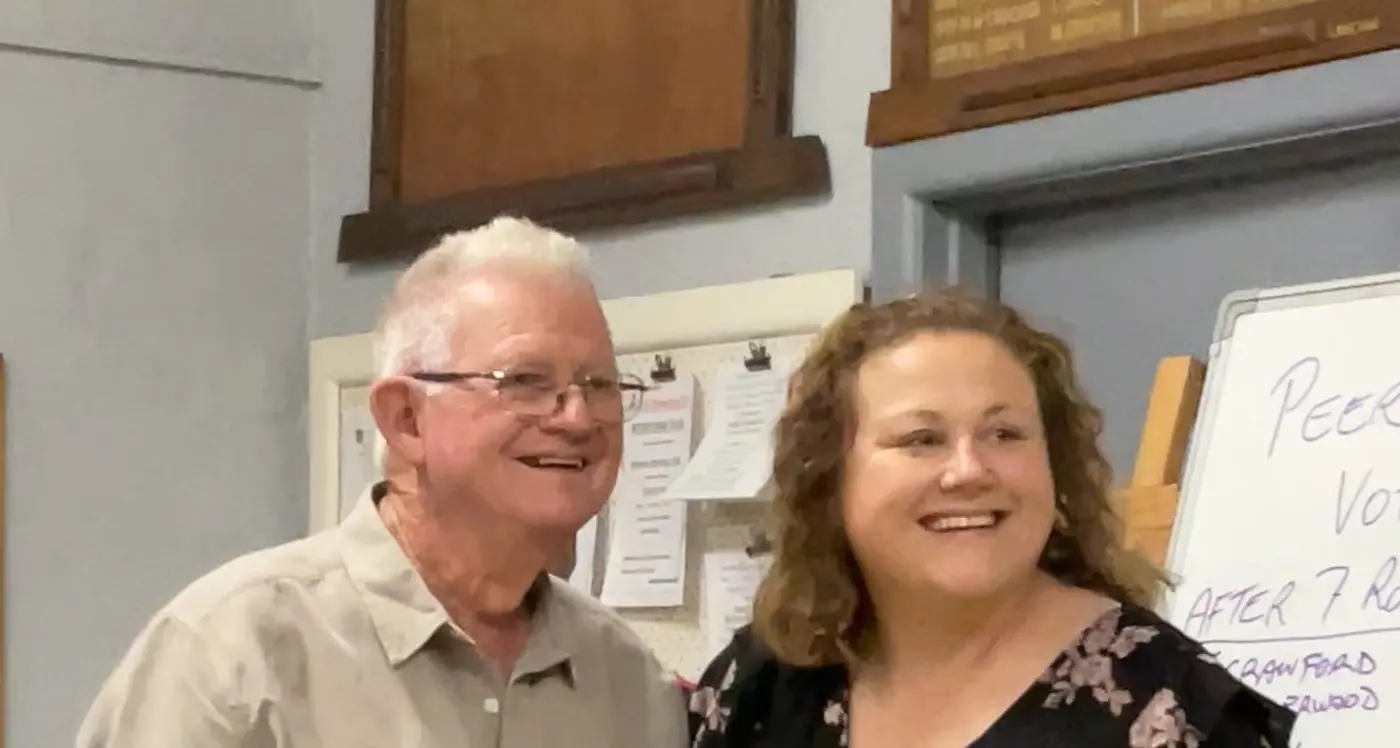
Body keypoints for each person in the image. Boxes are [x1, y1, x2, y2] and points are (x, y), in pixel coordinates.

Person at [78, 216, 689, 747]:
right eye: (524, 381)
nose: (577, 418)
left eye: (600, 384)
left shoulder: (628, 681)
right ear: (405, 419)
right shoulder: (236, 653)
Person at [685, 291, 1295, 748]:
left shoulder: (1171, 708)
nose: (970, 470)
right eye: (921, 438)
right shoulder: (767, 681)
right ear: (830, 477)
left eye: (1005, 433)